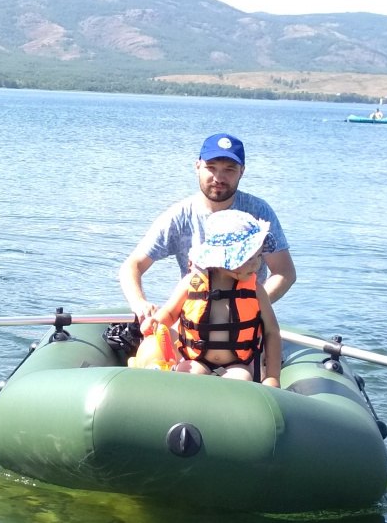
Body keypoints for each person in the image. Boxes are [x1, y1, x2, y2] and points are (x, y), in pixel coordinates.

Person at [118, 131, 294, 333]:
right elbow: (132, 266)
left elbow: (284, 272)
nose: (219, 177)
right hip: (194, 319)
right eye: (211, 168)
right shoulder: (180, 215)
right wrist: (140, 303)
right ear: (197, 166)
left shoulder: (259, 212)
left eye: (229, 169)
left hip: (245, 323)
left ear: (242, 171)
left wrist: (251, 304)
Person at [142, 209, 281, 383]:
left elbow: (271, 331)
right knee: (186, 373)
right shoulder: (191, 283)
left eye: (259, 256)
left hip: (236, 364)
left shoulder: (256, 290)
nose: (257, 263)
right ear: (223, 257)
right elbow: (170, 313)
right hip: (196, 360)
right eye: (249, 257)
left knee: (241, 379)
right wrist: (156, 322)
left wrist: (273, 376)